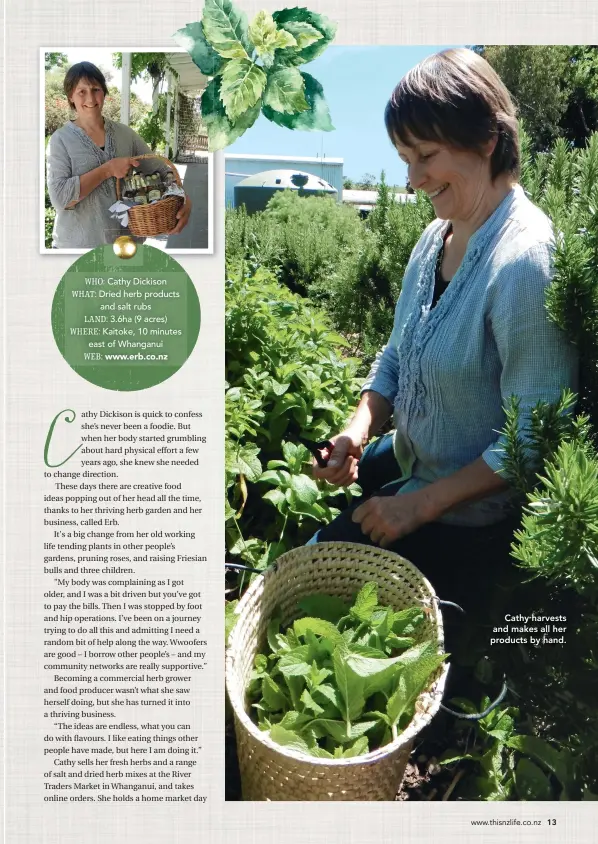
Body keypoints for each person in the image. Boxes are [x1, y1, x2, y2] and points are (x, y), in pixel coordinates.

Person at [310, 48, 578, 618]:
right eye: (405, 159)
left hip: (472, 513)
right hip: (416, 462)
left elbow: (531, 438)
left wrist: (418, 508)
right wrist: (358, 429)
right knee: (326, 545)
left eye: (425, 156)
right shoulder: (436, 237)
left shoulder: (525, 262)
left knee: (318, 581)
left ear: (486, 140)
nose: (412, 180)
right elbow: (398, 354)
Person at [46, 62, 191, 248]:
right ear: (71, 97)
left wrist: (185, 199)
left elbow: (162, 170)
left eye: (96, 89)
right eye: (81, 91)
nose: (90, 97)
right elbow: (60, 199)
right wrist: (107, 170)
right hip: (78, 248)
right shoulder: (60, 140)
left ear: (104, 93)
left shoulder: (125, 135)